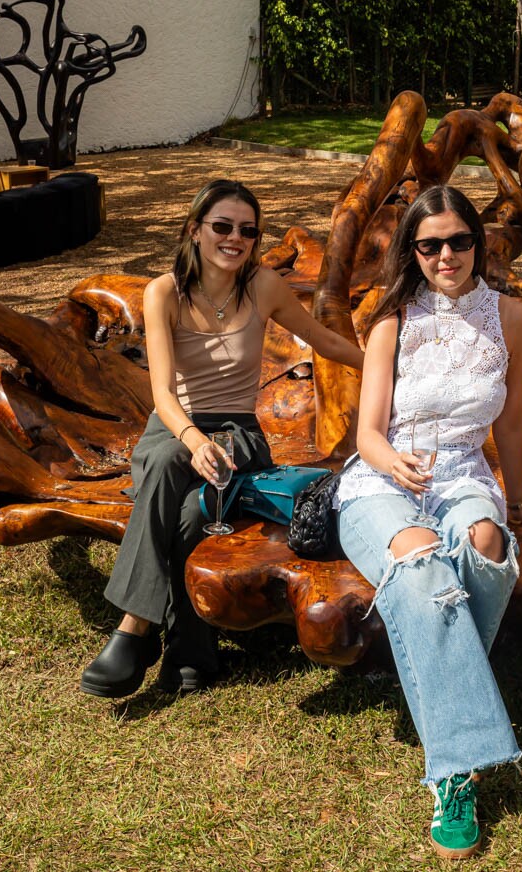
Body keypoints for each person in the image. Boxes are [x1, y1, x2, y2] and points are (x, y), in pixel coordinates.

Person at [335, 184, 522, 860]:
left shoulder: (512, 318)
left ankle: (435, 680)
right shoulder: (391, 321)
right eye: (428, 244)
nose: (445, 254)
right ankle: (455, 771)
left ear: (477, 242)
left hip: (462, 474)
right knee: (423, 561)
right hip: (381, 481)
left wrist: (515, 503)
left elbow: (512, 420)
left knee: (488, 545)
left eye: (458, 240)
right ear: (413, 249)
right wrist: (392, 464)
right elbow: (367, 432)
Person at [81, 179, 363, 700]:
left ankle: (133, 632)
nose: (236, 238)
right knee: (179, 491)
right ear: (195, 229)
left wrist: (393, 374)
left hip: (238, 434)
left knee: (178, 485)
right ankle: (184, 648)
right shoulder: (163, 291)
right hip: (172, 427)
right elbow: (163, 393)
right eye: (223, 226)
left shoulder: (263, 288)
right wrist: (191, 438)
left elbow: (324, 340)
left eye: (248, 231)